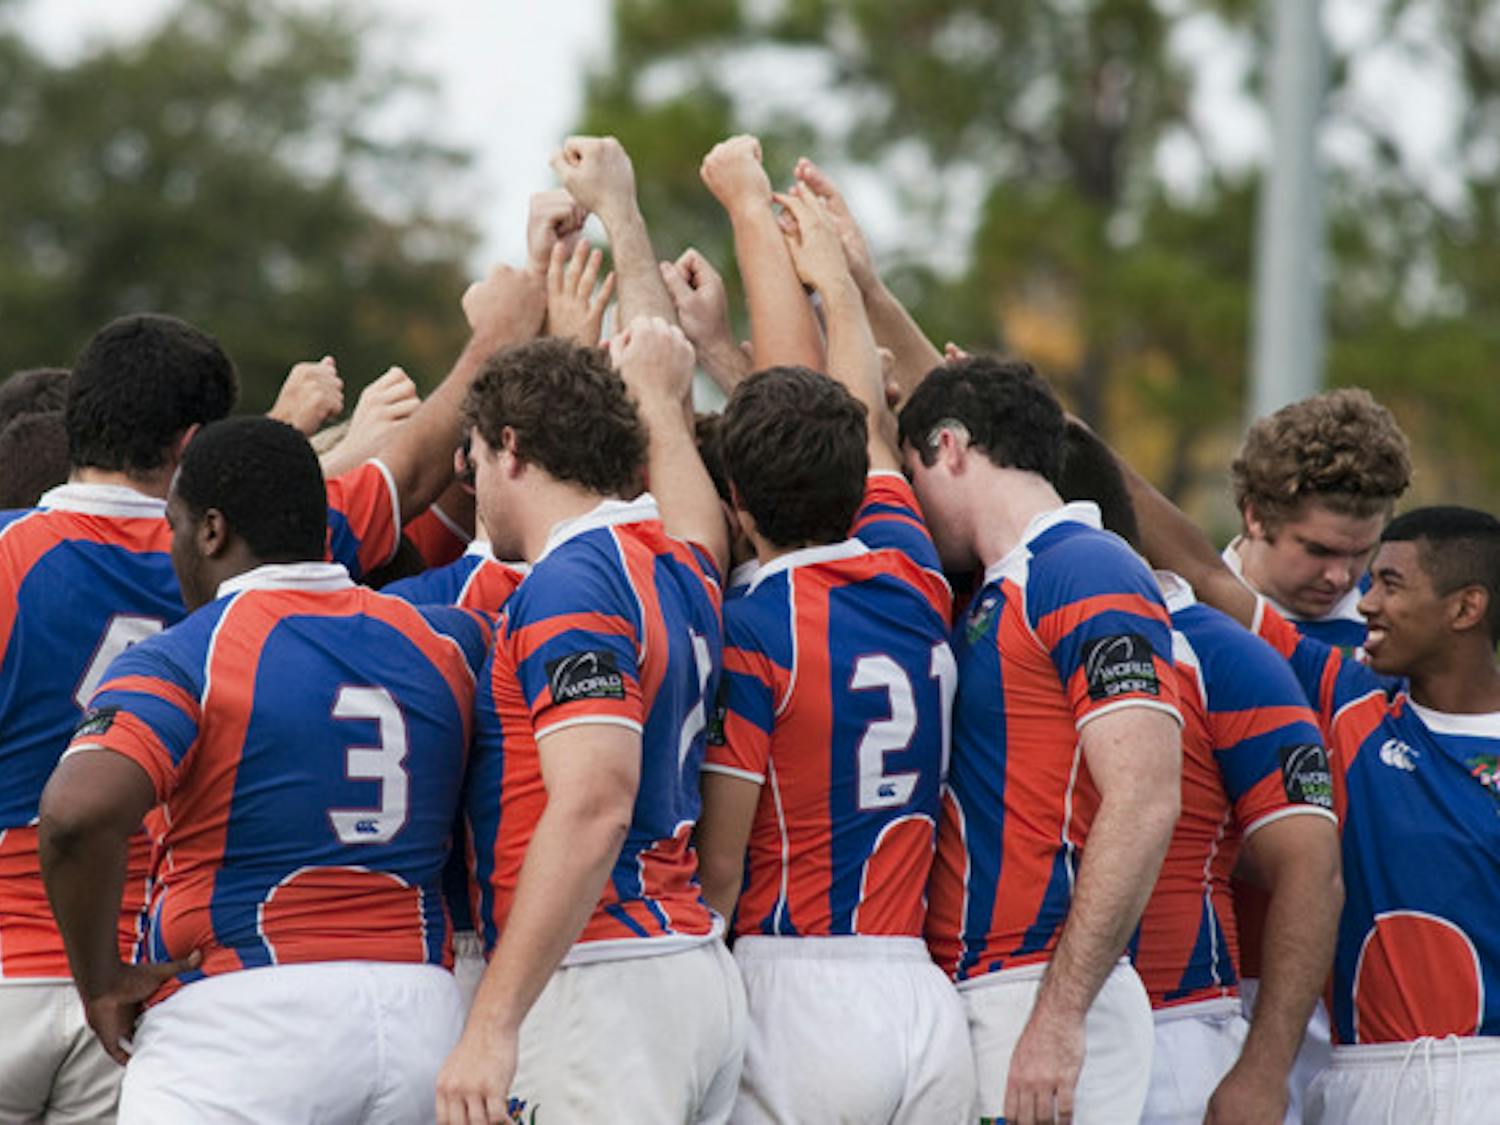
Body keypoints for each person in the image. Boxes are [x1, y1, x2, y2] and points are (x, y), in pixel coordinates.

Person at [38, 416, 490, 1123]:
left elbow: (77, 812)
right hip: (423, 1017)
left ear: (211, 530)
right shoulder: (447, 638)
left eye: (176, 525)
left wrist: (100, 979)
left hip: (245, 1016)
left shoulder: (190, 652)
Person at [1112, 439, 1500, 1122]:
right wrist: (1058, 428)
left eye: (1389, 583)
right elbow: (1204, 571)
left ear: (1465, 609)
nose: (1364, 601)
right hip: (1360, 1074)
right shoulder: (1345, 696)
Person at [692, 184, 975, 1122]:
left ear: (737, 505)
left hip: (796, 984)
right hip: (920, 993)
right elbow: (868, 415)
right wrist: (837, 285)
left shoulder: (757, 628)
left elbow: (723, 864)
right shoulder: (915, 573)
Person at [436, 325, 744, 1125]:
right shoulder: (675, 561)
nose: (471, 488)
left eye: (473, 459)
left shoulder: (574, 581)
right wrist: (660, 402)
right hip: (681, 966)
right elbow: (704, 528)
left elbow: (595, 800)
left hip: (599, 976)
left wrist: (493, 1022)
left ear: (511, 445)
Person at [896, 355, 1183, 1124]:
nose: (913, 501)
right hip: (986, 981)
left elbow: (1146, 796)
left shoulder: (1087, 569)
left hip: (1040, 987)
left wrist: (1059, 1017)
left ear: (950, 447)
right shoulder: (1002, 583)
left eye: (911, 470)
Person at [1058, 421, 1342, 1124]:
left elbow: (1312, 871)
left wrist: (1263, 1069)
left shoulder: (1222, 652)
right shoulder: (997, 620)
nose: (1342, 578)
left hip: (1179, 1029)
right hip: (1034, 1010)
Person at [0, 314, 237, 1124]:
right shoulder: (233, 567)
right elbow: (396, 474)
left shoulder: (12, 556)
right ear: (194, 441)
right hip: (139, 974)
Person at [1226, 388, 1411, 651]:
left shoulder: (1407, 628)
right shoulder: (1175, 614)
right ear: (1255, 516)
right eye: (1319, 551)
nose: (1339, 577)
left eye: (1362, 553)